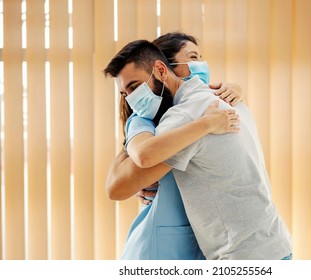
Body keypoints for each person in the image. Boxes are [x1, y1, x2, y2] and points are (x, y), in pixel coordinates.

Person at [104, 39, 292, 259]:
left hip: (242, 256)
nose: (132, 99)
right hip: (274, 243)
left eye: (135, 87)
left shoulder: (185, 116)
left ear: (161, 70)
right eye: (126, 93)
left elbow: (126, 178)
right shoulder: (227, 99)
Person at [115, 33, 241, 260]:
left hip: (207, 244)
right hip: (162, 247)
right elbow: (120, 182)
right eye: (192, 58)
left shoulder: (209, 103)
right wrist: (206, 124)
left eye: (200, 57)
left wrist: (236, 89)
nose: (200, 65)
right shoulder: (146, 117)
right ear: (164, 69)